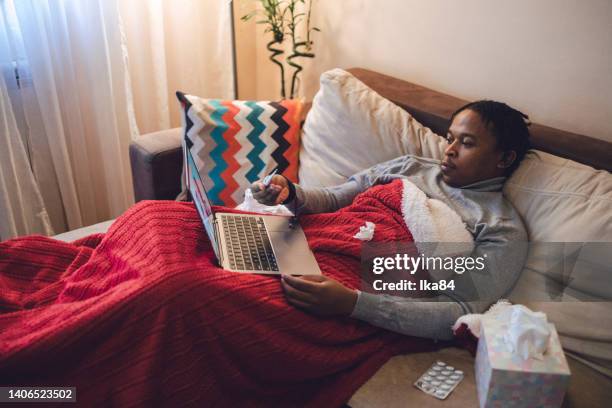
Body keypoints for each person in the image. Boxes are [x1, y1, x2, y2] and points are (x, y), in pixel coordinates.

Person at [251, 100, 531, 340]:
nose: (450, 150)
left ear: (504, 158)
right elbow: (336, 199)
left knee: (230, 299)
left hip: (348, 290)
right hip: (304, 244)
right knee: (208, 230)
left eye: (467, 143)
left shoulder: (501, 229)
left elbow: (458, 310)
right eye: (450, 138)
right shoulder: (409, 165)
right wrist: (289, 193)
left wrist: (353, 304)